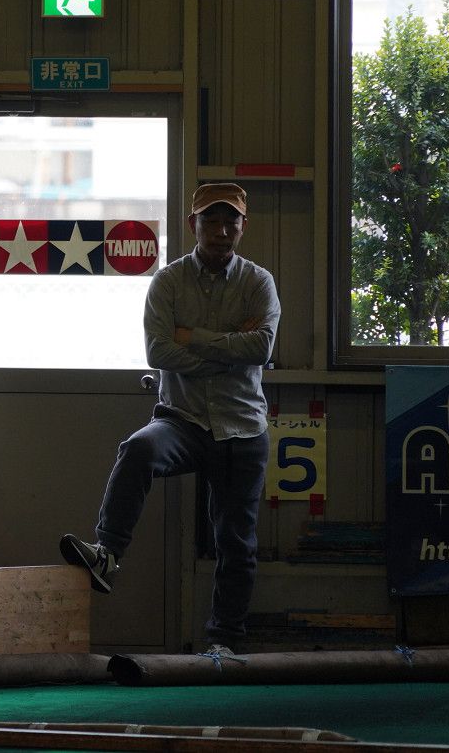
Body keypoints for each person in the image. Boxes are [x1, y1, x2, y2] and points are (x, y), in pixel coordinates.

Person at [59, 182, 280, 654]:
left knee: (236, 542)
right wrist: (227, 351)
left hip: (242, 427)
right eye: (211, 221)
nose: (221, 231)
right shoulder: (168, 282)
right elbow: (159, 352)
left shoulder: (258, 282)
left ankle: (223, 643)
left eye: (231, 221)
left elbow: (261, 347)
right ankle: (107, 553)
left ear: (243, 226)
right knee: (139, 448)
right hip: (181, 419)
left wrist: (192, 336)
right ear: (192, 224)